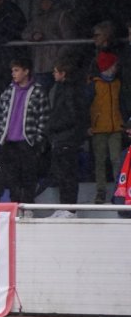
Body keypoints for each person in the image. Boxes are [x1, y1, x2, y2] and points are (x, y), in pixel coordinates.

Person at [0, 57, 49, 203]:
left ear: (26, 71)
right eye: (12, 71)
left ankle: (28, 207)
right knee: (12, 180)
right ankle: (15, 207)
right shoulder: (8, 91)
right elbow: (0, 114)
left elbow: (43, 117)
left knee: (29, 178)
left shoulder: (38, 91)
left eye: (16, 70)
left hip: (28, 142)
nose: (13, 73)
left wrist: (37, 140)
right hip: (9, 143)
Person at [46, 57, 89, 216]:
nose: (53, 74)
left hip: (67, 138)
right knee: (62, 175)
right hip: (61, 138)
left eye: (55, 71)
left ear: (63, 73)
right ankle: (64, 206)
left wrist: (53, 126)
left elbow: (72, 115)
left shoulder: (71, 90)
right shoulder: (60, 89)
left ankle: (70, 209)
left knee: (68, 175)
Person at [22, 0, 77, 91]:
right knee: (38, 95)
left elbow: (69, 40)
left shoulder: (62, 16)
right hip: (38, 66)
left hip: (56, 66)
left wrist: (57, 56)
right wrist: (33, 35)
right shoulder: (38, 17)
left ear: (52, 0)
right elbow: (24, 33)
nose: (41, 2)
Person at [88, 51, 125, 204]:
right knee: (100, 161)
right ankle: (101, 192)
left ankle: (119, 191)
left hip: (116, 127)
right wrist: (88, 125)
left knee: (116, 160)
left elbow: (122, 104)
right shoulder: (94, 85)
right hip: (99, 129)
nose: (116, 68)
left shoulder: (118, 83)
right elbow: (85, 106)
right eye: (114, 65)